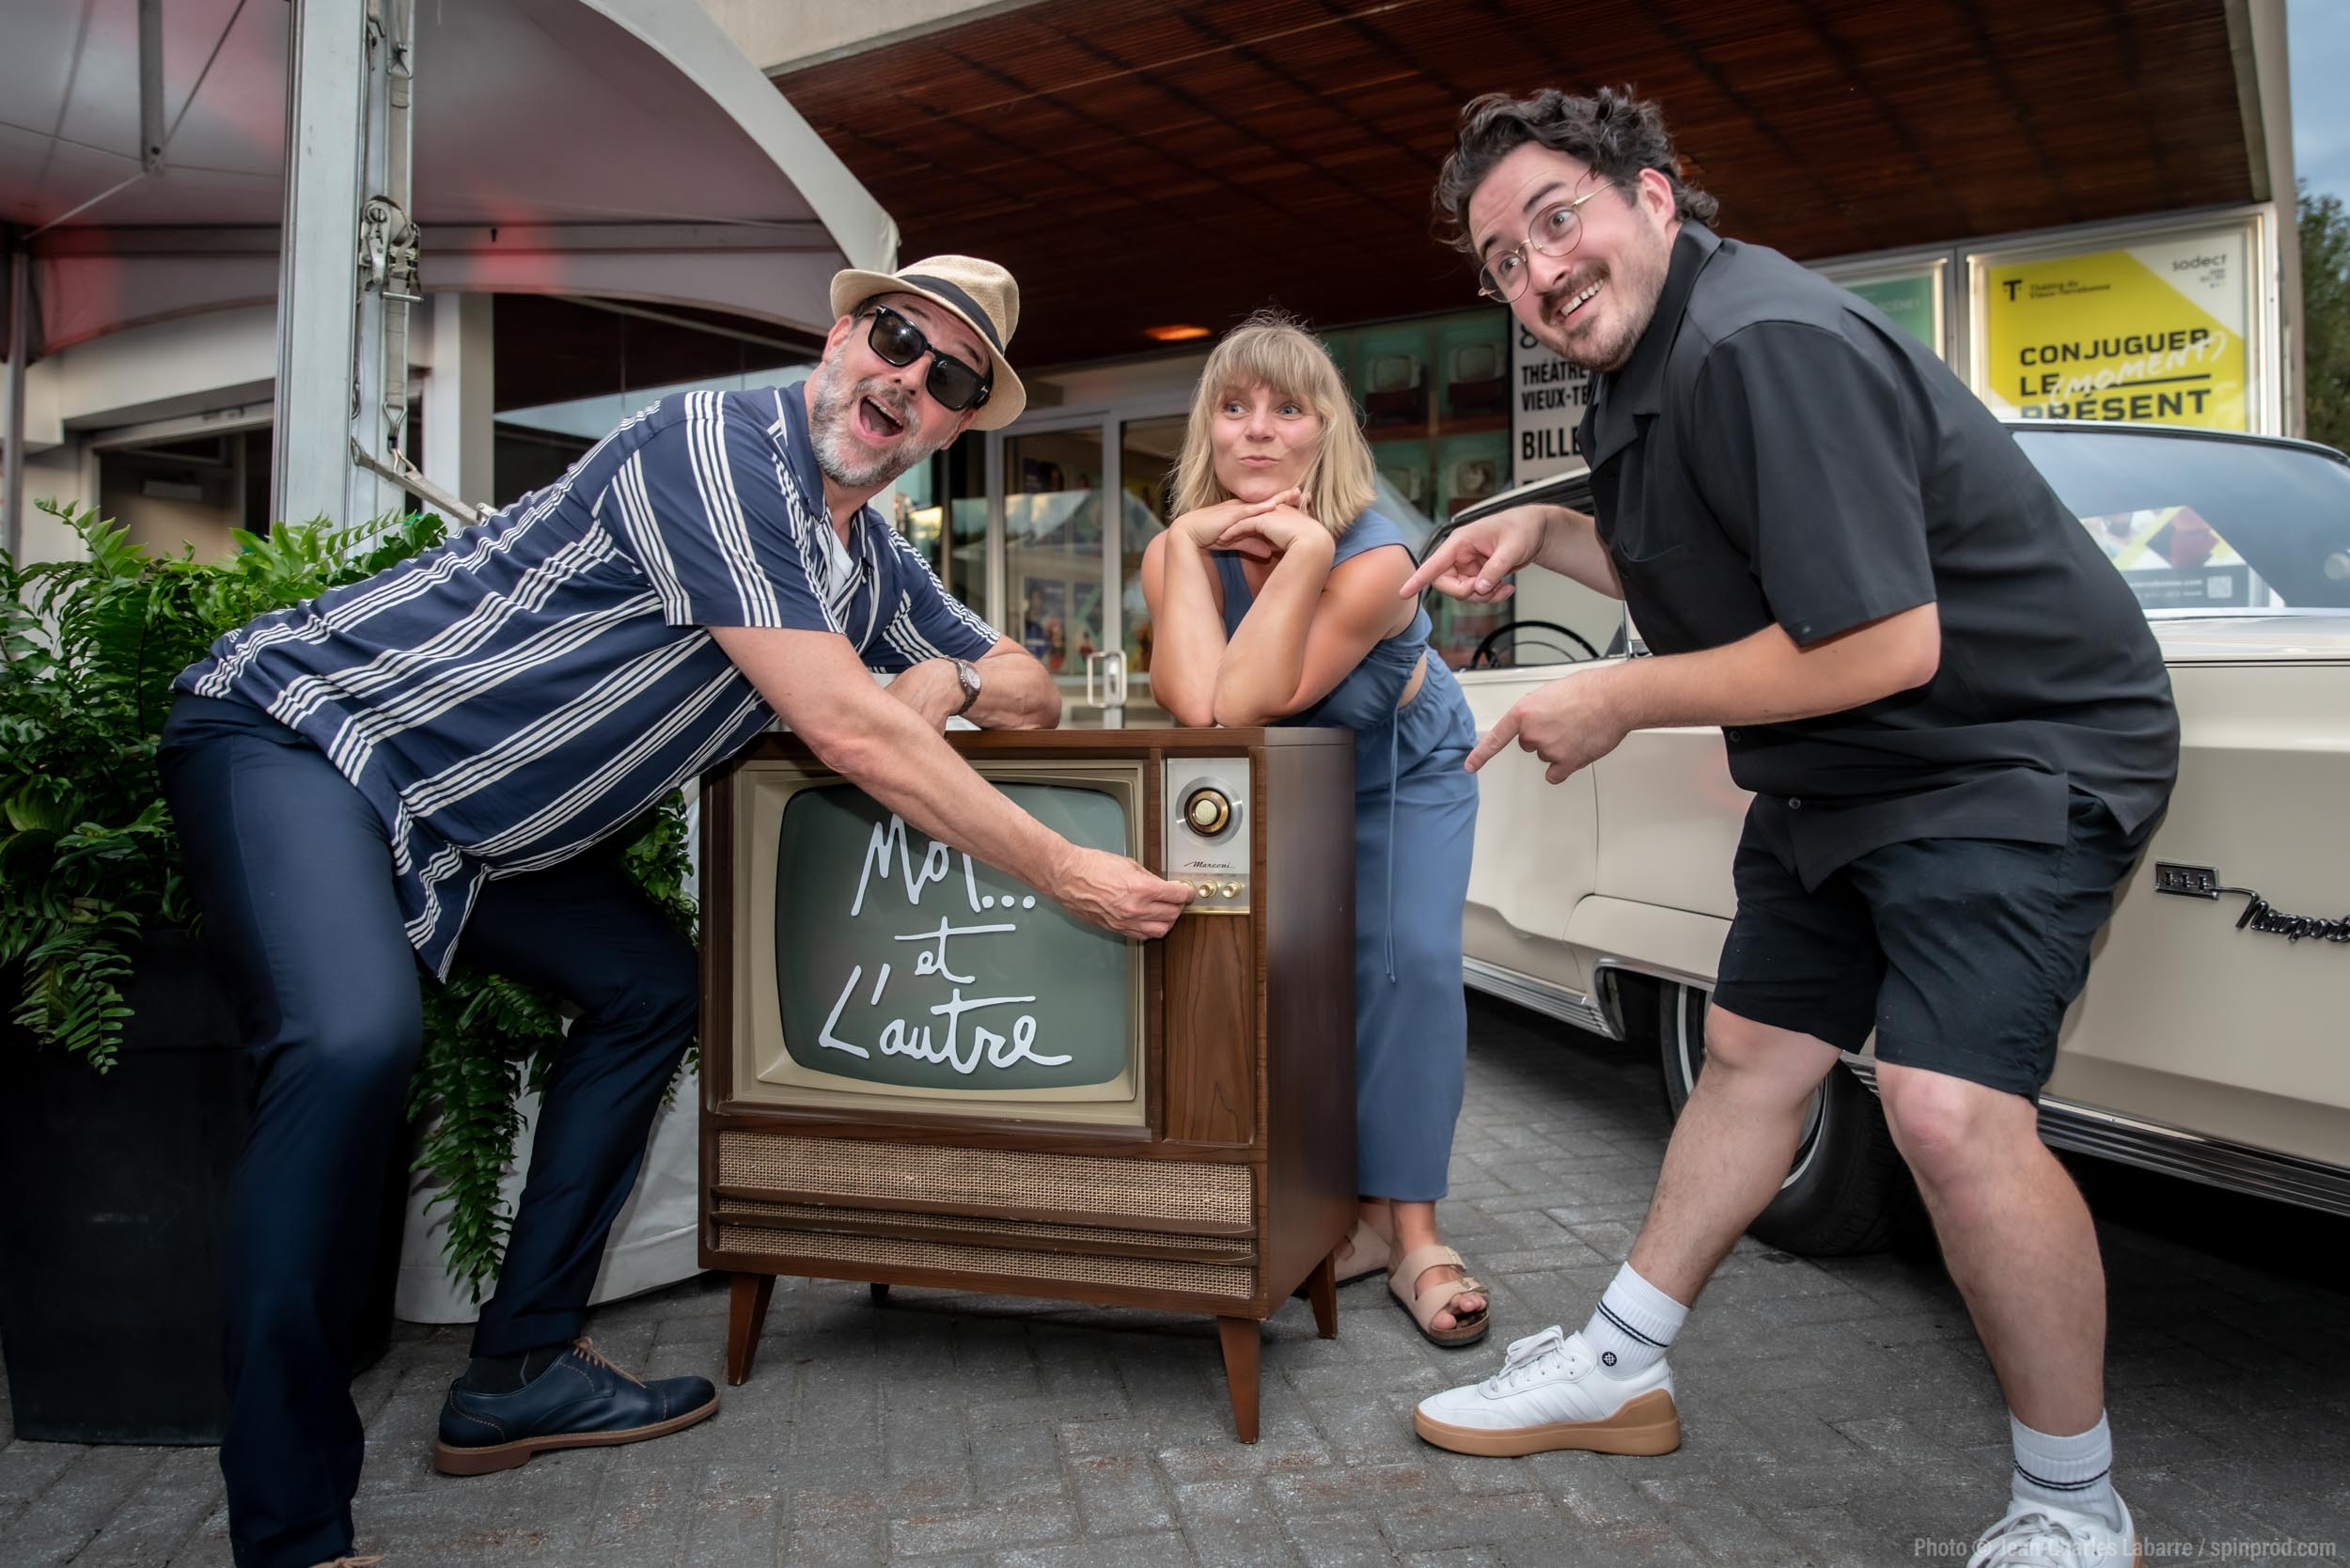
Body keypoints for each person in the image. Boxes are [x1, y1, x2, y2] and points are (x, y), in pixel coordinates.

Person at [158, 255, 1192, 1568]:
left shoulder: (867, 562)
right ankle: (293, 1534)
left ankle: (520, 1369)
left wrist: (931, 677)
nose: (908, 381)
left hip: (471, 837)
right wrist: (1068, 871)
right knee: (353, 1043)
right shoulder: (714, 442)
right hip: (307, 738)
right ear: (839, 336)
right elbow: (839, 728)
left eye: (950, 380)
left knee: (652, 986)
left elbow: (1027, 687)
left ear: (952, 427)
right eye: (895, 339)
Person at [1401, 90, 2178, 1566]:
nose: (1535, 272)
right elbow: (1727, 568)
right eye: (1501, 259)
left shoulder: (1765, 341)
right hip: (1847, 765)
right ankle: (1623, 1363)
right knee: (1753, 1056)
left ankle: (2078, 1503)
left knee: (1948, 1116)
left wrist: (1617, 695)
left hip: (2005, 755)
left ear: (1651, 194)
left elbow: (1884, 640)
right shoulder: (1648, 361)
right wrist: (1548, 534)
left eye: (1555, 219)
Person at [1141, 311, 1489, 1345]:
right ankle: (1349, 1215)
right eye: (1233, 408)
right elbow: (1196, 705)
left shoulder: (1377, 556)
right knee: (1302, 983)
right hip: (1287, 782)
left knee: (1409, 964)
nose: (1257, 432)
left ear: (1325, 430)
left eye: (1287, 410)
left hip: (1402, 766)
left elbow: (1247, 698)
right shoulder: (1181, 546)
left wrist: (1296, 554)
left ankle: (1415, 1233)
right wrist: (1185, 545)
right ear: (1205, 429)